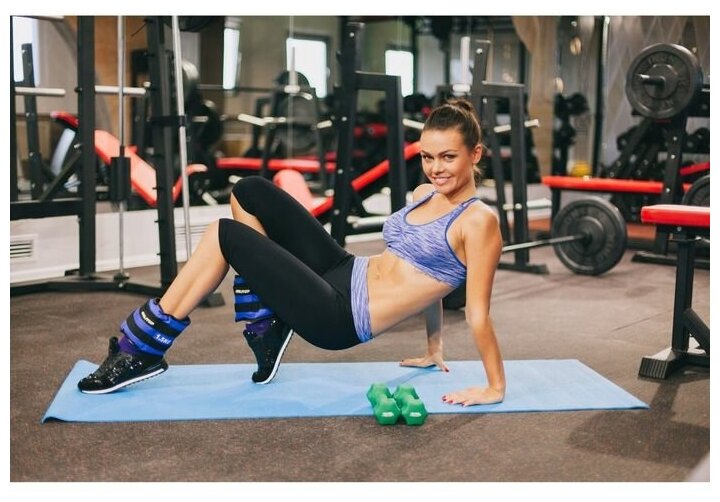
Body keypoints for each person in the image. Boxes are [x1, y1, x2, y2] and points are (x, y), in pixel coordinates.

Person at [78, 99, 506, 406]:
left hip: (341, 316)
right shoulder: (424, 193)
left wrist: (494, 388)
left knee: (223, 234)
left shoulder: (478, 221)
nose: (436, 168)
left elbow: (477, 312)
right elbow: (432, 277)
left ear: (475, 154)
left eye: (448, 157)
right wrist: (434, 347)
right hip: (345, 269)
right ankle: (267, 325)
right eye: (428, 157)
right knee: (249, 192)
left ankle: (142, 349)